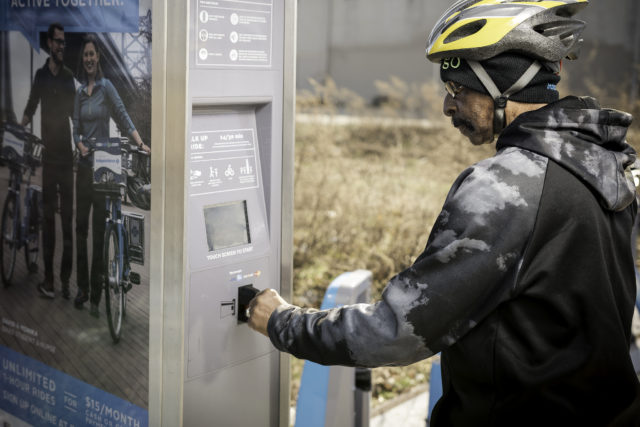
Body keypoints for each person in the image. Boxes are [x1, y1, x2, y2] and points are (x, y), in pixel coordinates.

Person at [247, 1, 640, 425]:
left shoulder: (508, 188)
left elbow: (398, 329)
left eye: (458, 89)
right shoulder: (607, 163)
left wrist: (283, 322)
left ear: (502, 84)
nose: (447, 107)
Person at [72, 34, 150, 318]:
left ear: (98, 57)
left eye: (92, 54)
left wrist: (141, 144)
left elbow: (123, 116)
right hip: (83, 167)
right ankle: (82, 288)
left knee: (98, 233)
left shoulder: (106, 88)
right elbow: (76, 128)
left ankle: (95, 294)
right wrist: (80, 145)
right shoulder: (80, 93)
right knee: (80, 229)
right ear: (83, 60)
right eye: (85, 56)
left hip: (103, 169)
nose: (89, 59)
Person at [21, 23, 75, 300]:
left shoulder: (68, 76)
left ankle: (65, 281)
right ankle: (49, 280)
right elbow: (31, 106)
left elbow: (74, 114)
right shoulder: (41, 75)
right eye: (57, 41)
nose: (61, 46)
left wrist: (81, 141)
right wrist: (21, 128)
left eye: (64, 42)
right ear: (49, 44)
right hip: (50, 159)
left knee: (67, 222)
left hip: (67, 158)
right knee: (48, 222)